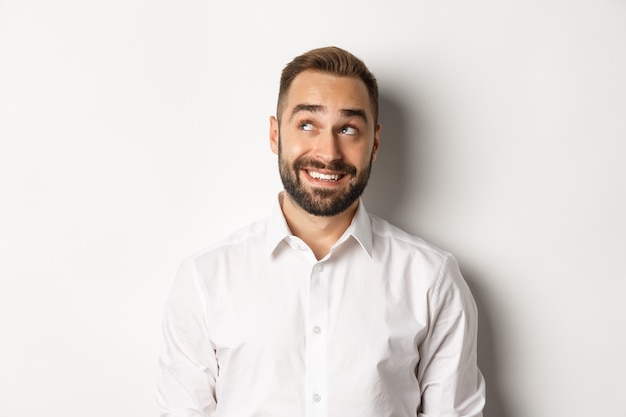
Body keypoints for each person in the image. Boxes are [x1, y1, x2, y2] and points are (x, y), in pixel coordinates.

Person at [156, 46, 485, 417]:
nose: (328, 153)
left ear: (374, 143)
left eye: (348, 129)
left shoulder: (431, 279)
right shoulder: (205, 279)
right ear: (275, 134)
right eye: (307, 124)